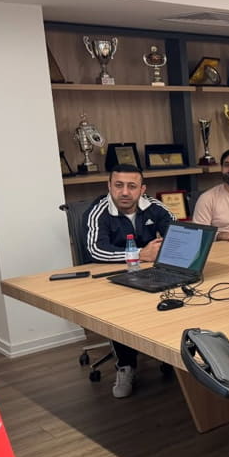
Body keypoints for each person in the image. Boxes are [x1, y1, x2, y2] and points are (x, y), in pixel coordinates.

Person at [83, 163, 174, 398]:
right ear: (109, 186)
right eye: (118, 185)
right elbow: (96, 250)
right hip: (111, 278)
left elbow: (177, 235)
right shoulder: (98, 212)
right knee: (119, 310)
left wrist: (161, 251)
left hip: (149, 274)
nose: (124, 192)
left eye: (132, 186)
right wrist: (140, 254)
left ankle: (172, 356)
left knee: (176, 297)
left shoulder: (155, 208)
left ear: (142, 189)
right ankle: (125, 366)